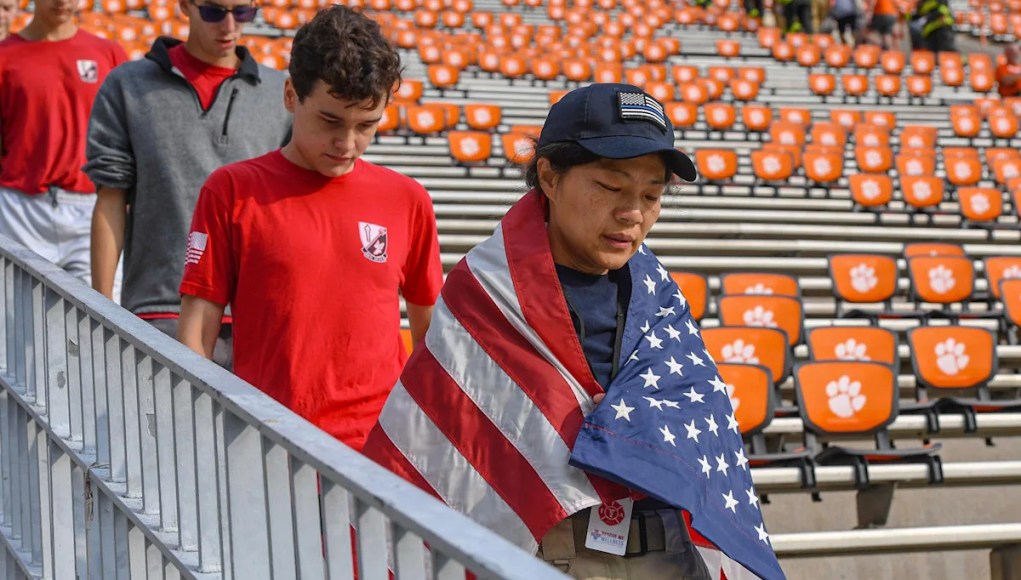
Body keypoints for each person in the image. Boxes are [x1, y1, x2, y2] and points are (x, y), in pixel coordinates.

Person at [363, 84, 785, 580]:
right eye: (610, 187)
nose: (633, 214)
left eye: (652, 195)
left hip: (669, 551)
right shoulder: (489, 294)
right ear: (549, 175)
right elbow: (439, 457)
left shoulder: (662, 301)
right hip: (551, 554)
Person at [177, 5, 443, 451]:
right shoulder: (232, 191)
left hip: (380, 455)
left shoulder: (407, 200)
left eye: (366, 126)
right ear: (290, 96)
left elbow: (429, 337)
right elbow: (195, 336)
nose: (347, 143)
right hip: (266, 447)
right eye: (330, 121)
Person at [84, 0, 290, 368]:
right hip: (158, 310)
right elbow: (111, 199)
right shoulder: (128, 86)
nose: (229, 25)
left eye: (243, 12)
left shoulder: (281, 95)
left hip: (257, 318)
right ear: (185, 6)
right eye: (214, 11)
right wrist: (102, 308)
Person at [0, 0, 126, 283]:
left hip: (94, 208)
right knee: (15, 320)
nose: (63, 1)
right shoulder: (5, 56)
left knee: (102, 316)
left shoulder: (109, 53)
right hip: (21, 209)